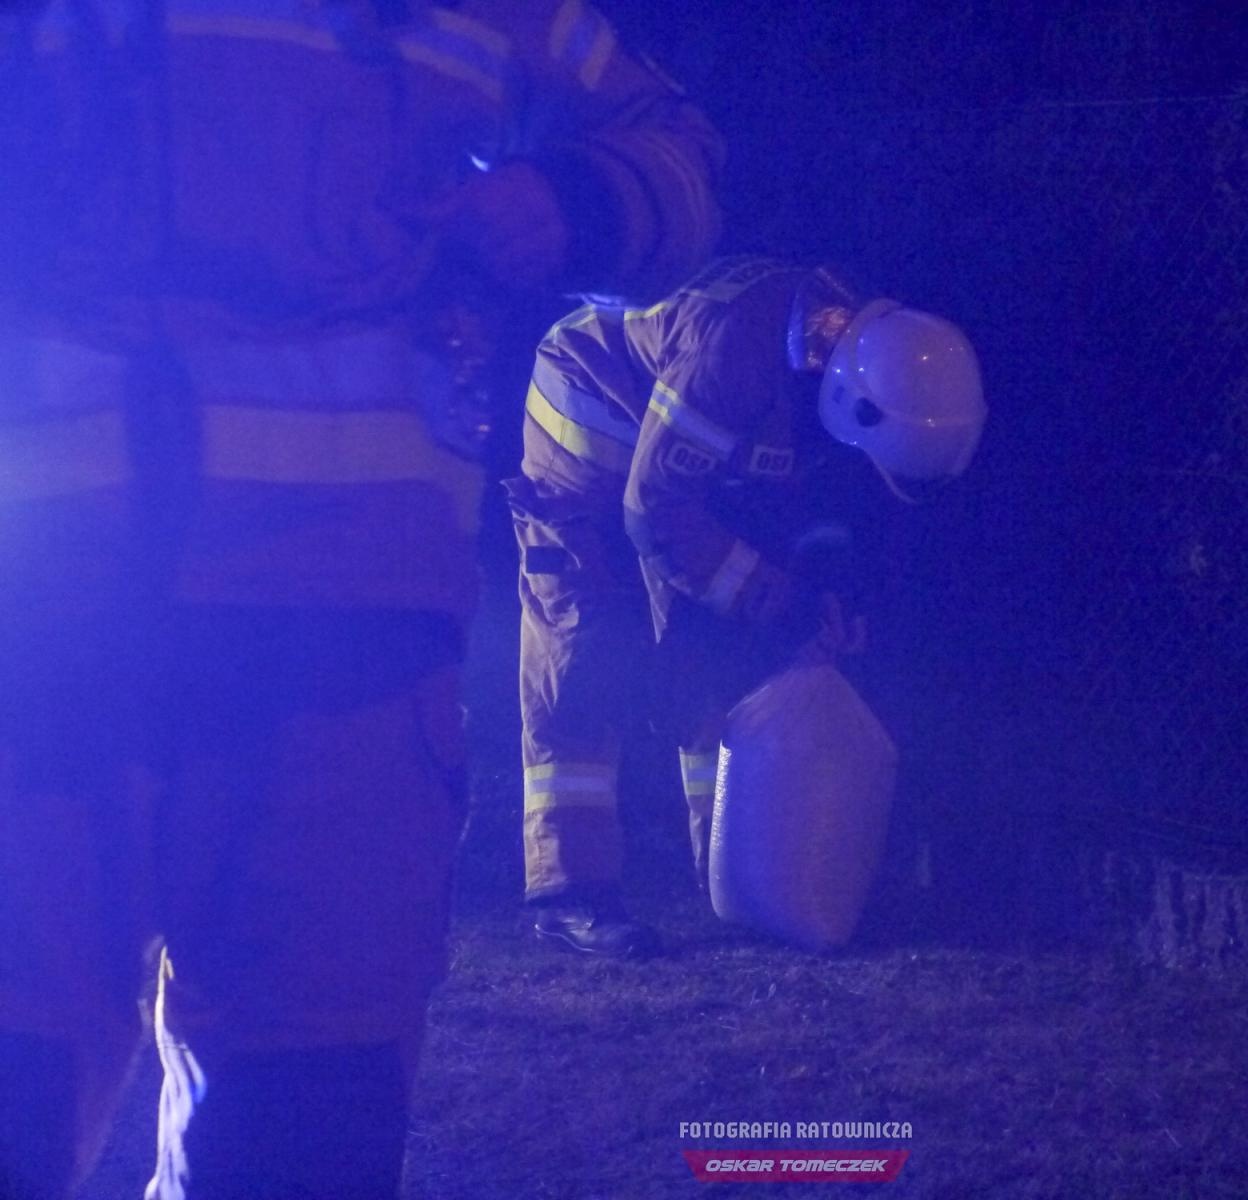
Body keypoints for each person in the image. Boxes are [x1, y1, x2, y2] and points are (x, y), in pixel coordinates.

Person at [0, 0, 721, 1196]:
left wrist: (572, 201)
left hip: (340, 652)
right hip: (44, 636)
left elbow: (676, 153)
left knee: (299, 1132)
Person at [510, 255, 986, 957]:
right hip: (590, 418)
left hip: (669, 465)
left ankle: (733, 874)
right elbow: (655, 508)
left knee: (711, 651)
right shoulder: (734, 354)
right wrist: (774, 596)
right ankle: (569, 895)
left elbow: (787, 502)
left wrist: (819, 596)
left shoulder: (852, 359)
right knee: (588, 640)